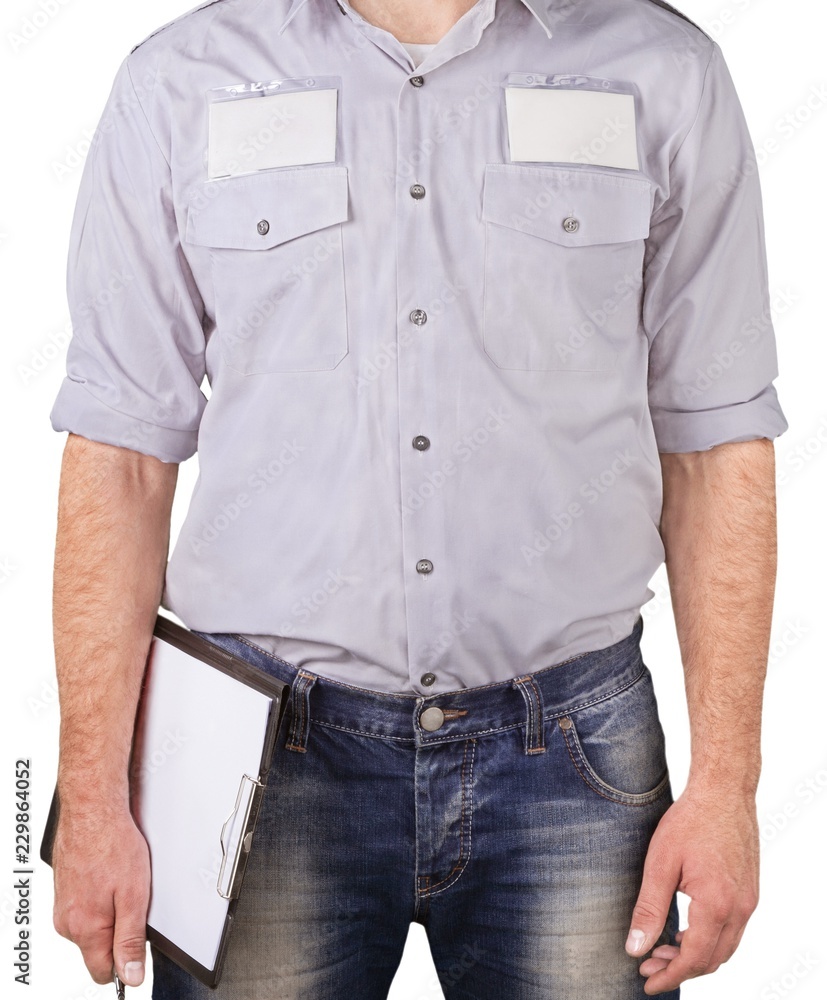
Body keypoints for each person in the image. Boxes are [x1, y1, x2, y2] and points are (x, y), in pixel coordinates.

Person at [47, 0, 788, 997]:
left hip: (569, 757)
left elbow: (715, 440)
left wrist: (728, 786)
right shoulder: (179, 79)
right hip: (257, 762)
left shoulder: (660, 70)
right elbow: (120, 454)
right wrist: (92, 796)